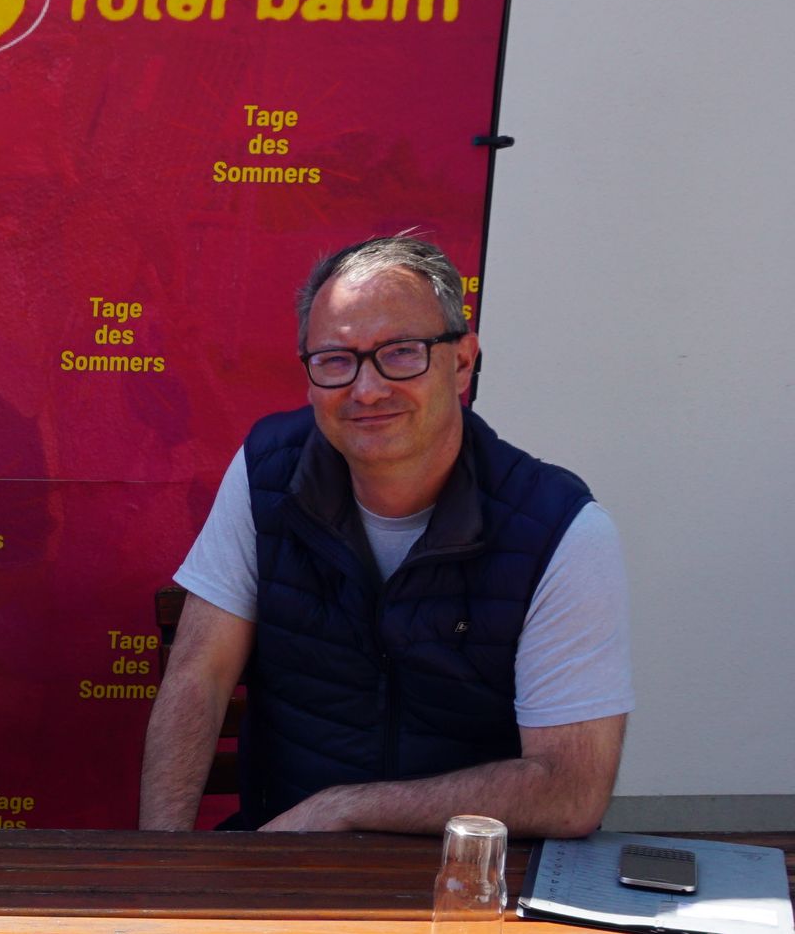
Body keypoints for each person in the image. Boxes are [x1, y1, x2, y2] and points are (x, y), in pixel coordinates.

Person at [139, 235, 631, 836]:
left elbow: (570, 789)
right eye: (335, 360)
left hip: (476, 881)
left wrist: (343, 809)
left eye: (401, 353)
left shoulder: (562, 529)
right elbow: (199, 676)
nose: (366, 389)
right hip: (282, 865)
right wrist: (163, 867)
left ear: (462, 363)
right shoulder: (267, 470)